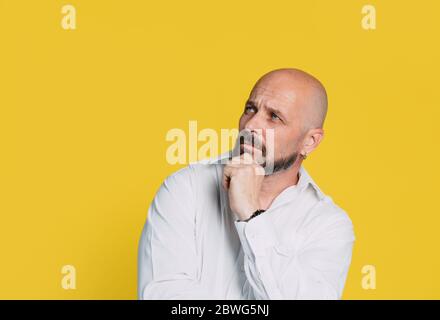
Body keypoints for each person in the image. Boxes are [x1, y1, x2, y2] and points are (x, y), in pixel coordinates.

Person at [138, 68, 355, 299]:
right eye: (250, 109)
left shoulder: (328, 225)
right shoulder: (186, 188)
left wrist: (251, 215)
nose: (250, 125)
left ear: (310, 142)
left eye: (274, 117)